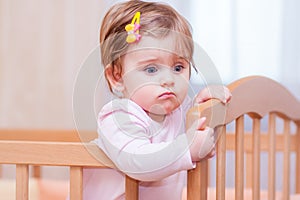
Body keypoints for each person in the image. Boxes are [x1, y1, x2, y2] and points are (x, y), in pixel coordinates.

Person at [81, 1, 231, 200]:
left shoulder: (178, 110)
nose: (169, 80)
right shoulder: (118, 116)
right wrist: (187, 149)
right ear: (117, 77)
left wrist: (201, 105)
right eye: (151, 69)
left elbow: (188, 122)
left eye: (178, 67)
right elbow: (137, 161)